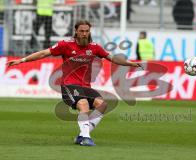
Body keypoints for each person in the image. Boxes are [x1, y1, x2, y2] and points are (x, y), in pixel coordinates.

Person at [7, 20, 142, 146]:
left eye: (87, 31)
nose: (84, 33)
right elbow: (43, 53)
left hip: (85, 87)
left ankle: (82, 135)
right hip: (68, 86)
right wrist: (22, 60)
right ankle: (86, 138)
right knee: (83, 103)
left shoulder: (95, 48)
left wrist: (129, 63)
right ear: (76, 31)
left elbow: (112, 58)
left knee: (102, 104)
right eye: (82, 31)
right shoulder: (65, 45)